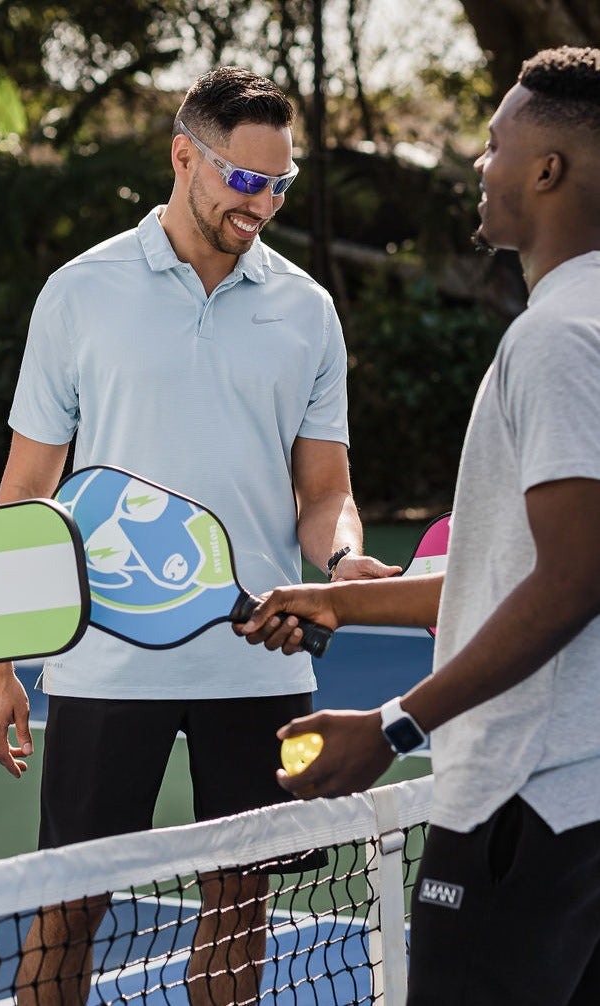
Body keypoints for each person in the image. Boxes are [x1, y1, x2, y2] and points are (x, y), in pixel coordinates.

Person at [0, 67, 399, 1005]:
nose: (261, 202)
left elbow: (324, 489)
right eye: (243, 180)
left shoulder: (308, 311)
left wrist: (339, 566)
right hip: (104, 663)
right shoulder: (78, 292)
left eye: (279, 184)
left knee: (241, 899)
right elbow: (27, 489)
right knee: (71, 903)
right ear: (184, 157)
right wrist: (2, 662)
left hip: (260, 659)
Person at [237, 46, 600, 1006]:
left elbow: (573, 578)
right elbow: (516, 570)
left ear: (547, 171)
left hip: (528, 799)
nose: (480, 166)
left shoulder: (558, 338)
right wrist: (341, 602)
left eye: (494, 146)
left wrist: (393, 727)